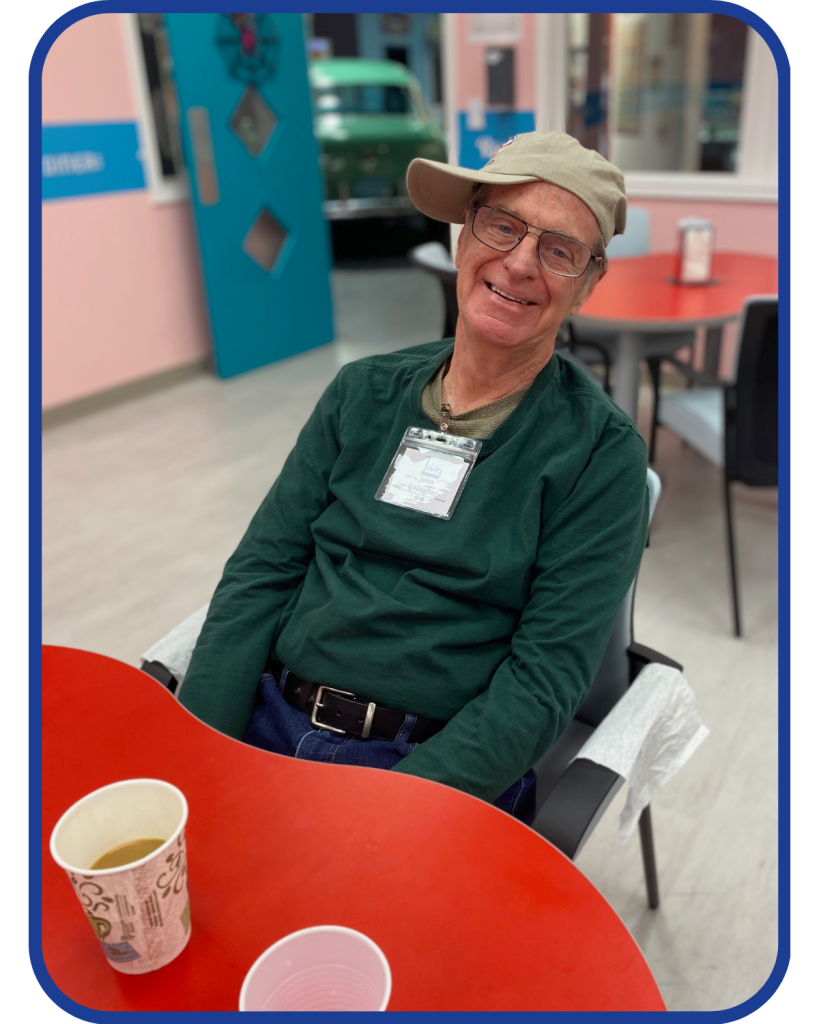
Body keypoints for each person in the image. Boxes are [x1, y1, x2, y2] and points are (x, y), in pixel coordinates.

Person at [178, 132, 648, 826]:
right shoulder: (360, 394)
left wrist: (395, 817)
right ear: (462, 238)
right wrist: (198, 749)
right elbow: (262, 572)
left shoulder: (598, 455)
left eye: (559, 249)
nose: (519, 264)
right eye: (502, 226)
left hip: (429, 766)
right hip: (269, 721)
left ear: (586, 282)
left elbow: (543, 680)